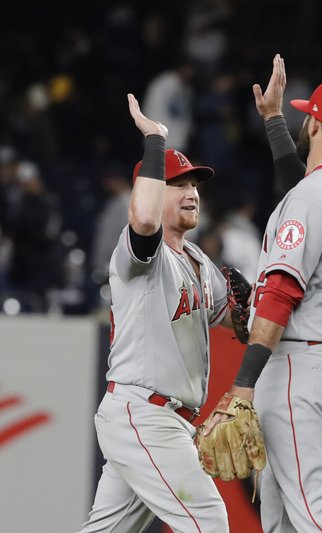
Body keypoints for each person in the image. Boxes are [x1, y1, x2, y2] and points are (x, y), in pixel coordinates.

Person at [201, 54, 322, 533]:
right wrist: (274, 119)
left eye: (306, 115)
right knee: (281, 518)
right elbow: (300, 191)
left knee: (317, 515)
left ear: (316, 125)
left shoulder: (311, 198)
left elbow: (278, 294)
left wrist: (244, 382)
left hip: (298, 368)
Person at [79, 94, 238, 532]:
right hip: (144, 414)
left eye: (194, 184)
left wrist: (252, 310)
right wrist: (154, 141)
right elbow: (145, 221)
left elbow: (239, 320)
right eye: (178, 183)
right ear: (150, 189)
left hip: (164, 420)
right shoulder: (138, 257)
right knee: (209, 521)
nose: (191, 192)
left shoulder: (200, 262)